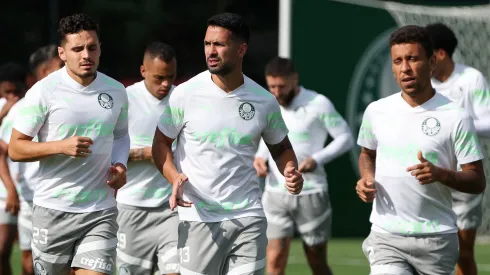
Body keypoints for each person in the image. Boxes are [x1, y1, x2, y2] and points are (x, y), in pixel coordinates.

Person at [152, 12, 304, 275]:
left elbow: (281, 149)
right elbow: (161, 143)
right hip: (199, 216)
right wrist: (173, 176)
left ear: (241, 49)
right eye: (207, 44)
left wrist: (290, 170)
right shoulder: (185, 94)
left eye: (219, 44)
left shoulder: (263, 100)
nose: (211, 51)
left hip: (248, 215)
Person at [356, 25, 486, 275]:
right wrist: (367, 177)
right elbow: (367, 154)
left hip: (436, 239)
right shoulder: (376, 111)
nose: (405, 68)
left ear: (432, 62)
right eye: (398, 61)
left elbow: (477, 180)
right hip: (386, 236)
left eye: (413, 59)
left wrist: (441, 174)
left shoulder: (456, 116)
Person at [8, 13, 129, 275]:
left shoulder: (116, 91)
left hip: (100, 210)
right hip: (54, 209)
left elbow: (120, 135)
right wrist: (59, 146)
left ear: (99, 48)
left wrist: (120, 164)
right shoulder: (44, 91)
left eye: (92, 47)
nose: (86, 55)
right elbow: (16, 148)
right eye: (77, 49)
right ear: (63, 53)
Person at [254, 57, 354, 275]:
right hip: (275, 193)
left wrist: (317, 158)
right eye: (272, 86)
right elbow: (268, 138)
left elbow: (345, 137)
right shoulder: (268, 104)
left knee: (316, 261)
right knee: (274, 259)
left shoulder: (318, 103)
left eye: (282, 86)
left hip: (311, 191)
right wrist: (260, 158)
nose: (277, 92)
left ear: (294, 79)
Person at [426, 22, 490, 275]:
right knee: (427, 252)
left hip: (463, 180)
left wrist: (457, 124)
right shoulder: (419, 84)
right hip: (427, 178)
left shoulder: (471, 78)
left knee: (462, 253)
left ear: (440, 54)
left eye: (425, 54)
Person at [115, 41, 179, 275]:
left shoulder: (183, 99)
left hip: (171, 208)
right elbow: (106, 152)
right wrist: (146, 154)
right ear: (143, 71)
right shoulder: (125, 99)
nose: (165, 84)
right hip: (132, 208)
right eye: (159, 78)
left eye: (171, 77)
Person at [0, 45, 65, 275]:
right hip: (31, 196)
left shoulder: (74, 100)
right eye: (61, 65)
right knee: (31, 261)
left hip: (67, 194)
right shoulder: (24, 106)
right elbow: (10, 149)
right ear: (45, 71)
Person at [0, 62, 26, 275]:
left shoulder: (30, 106)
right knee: (2, 250)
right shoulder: (1, 107)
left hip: (30, 191)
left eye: (16, 91)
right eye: (7, 92)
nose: (12, 97)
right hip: (5, 192)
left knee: (31, 258)